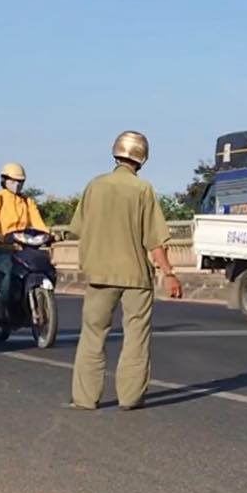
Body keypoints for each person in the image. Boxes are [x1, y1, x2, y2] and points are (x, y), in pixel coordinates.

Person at [68, 131, 182, 410]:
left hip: (99, 275)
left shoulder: (94, 186)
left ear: (115, 152)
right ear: (142, 157)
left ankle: (85, 399)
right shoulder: (143, 190)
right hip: (136, 277)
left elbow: (79, 229)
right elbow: (155, 241)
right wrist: (169, 274)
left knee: (93, 335)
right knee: (136, 336)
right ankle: (130, 398)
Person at [0, 162, 47, 313]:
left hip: (24, 249)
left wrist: (49, 235)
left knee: (43, 264)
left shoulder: (27, 201)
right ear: (4, 180)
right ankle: (3, 305)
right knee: (9, 271)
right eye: (12, 180)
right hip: (3, 249)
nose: (16, 184)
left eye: (20, 181)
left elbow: (38, 223)